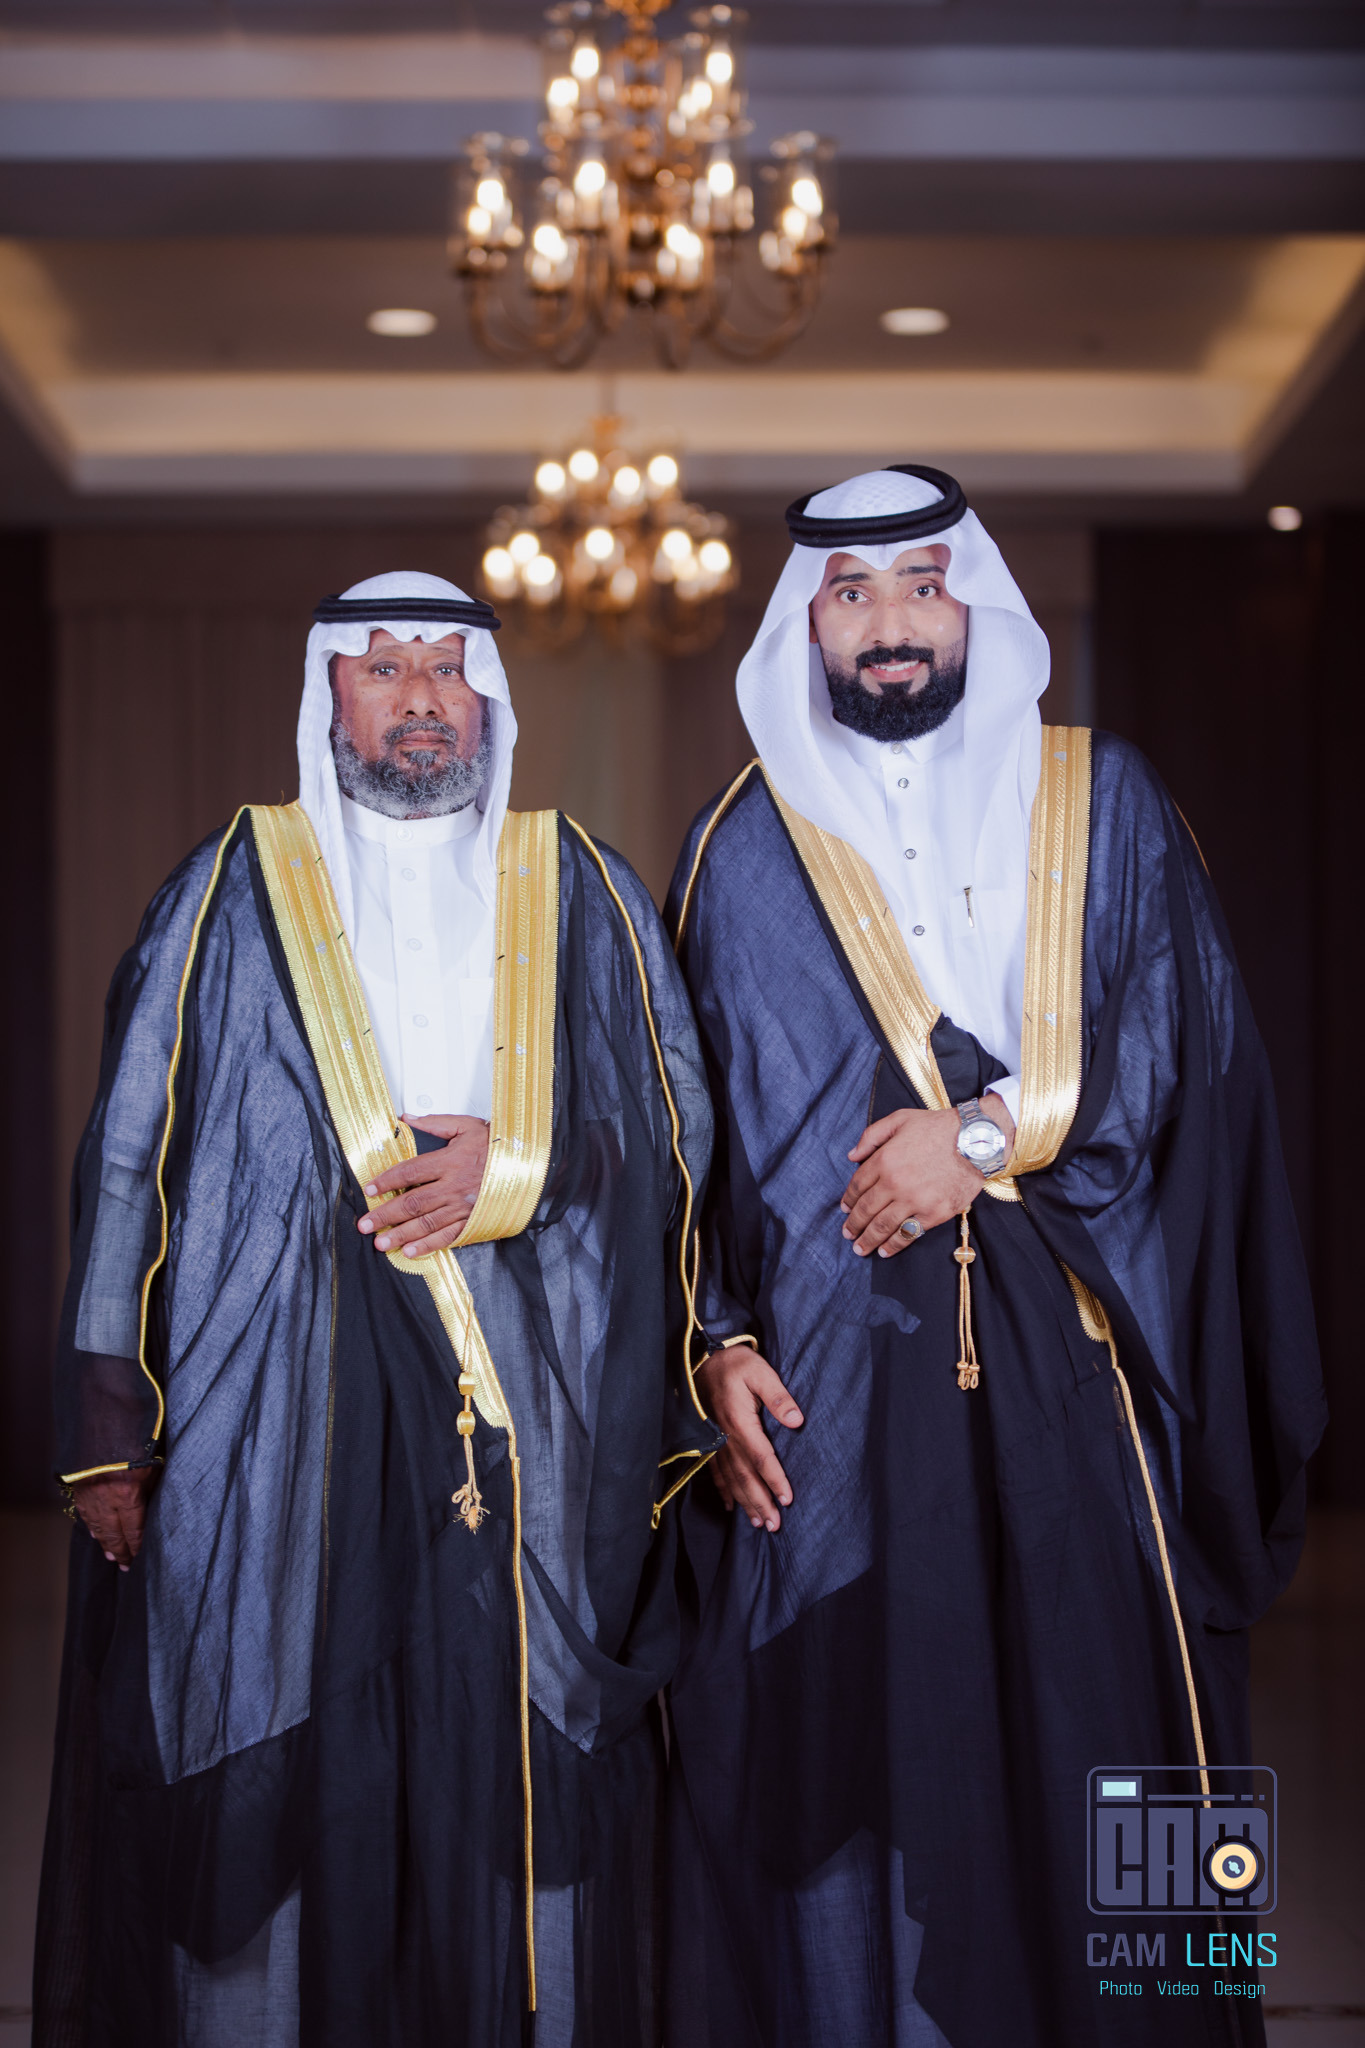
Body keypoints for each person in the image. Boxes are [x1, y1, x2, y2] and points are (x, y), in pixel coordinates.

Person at [663, 468, 1326, 2047]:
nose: (889, 623)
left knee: (1127, 1730)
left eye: (921, 583)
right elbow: (684, 1135)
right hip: (835, 1398)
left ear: (975, 602)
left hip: (1086, 1368)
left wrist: (974, 1140)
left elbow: (1178, 1045)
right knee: (854, 1752)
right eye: (850, 593)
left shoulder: (1104, 800)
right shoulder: (737, 850)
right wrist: (715, 1339)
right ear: (805, 623)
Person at [36, 571, 716, 2048]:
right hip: (280, 1393)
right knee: (293, 1728)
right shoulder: (228, 883)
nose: (419, 700)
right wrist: (106, 1421)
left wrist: (520, 1165)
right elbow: (135, 1149)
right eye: (383, 669)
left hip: (529, 1384)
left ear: (489, 698)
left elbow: (674, 1125)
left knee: (504, 1734)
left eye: (445, 669)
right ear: (327, 695)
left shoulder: (581, 883)